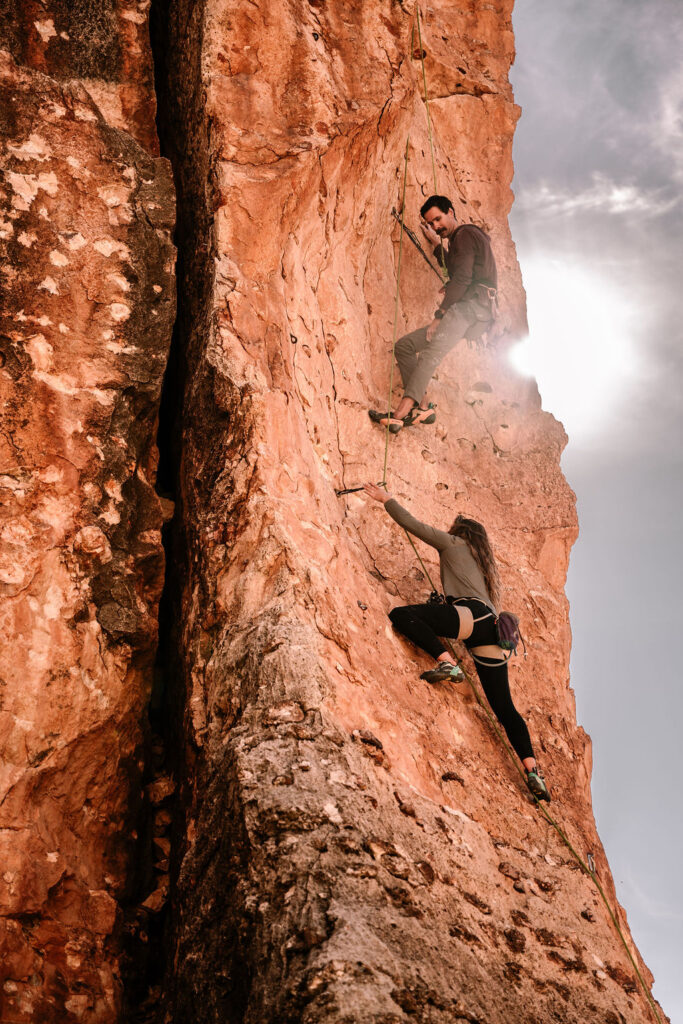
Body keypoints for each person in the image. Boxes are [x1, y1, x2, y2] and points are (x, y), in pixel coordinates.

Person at [363, 482, 551, 801]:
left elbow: (414, 526)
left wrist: (386, 499)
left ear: (459, 531)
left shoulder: (452, 544)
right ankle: (534, 771)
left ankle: (447, 664)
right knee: (505, 709)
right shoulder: (483, 567)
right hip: (492, 634)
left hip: (471, 619)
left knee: (402, 614)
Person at [369, 195, 497, 433]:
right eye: (432, 223)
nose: (437, 227)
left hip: (468, 309)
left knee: (430, 354)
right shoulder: (463, 240)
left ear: (450, 211)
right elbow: (458, 269)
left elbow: (461, 279)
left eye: (438, 219)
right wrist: (437, 246)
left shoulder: (465, 235)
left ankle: (399, 415)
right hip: (473, 312)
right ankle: (424, 407)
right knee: (405, 346)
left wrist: (439, 315)